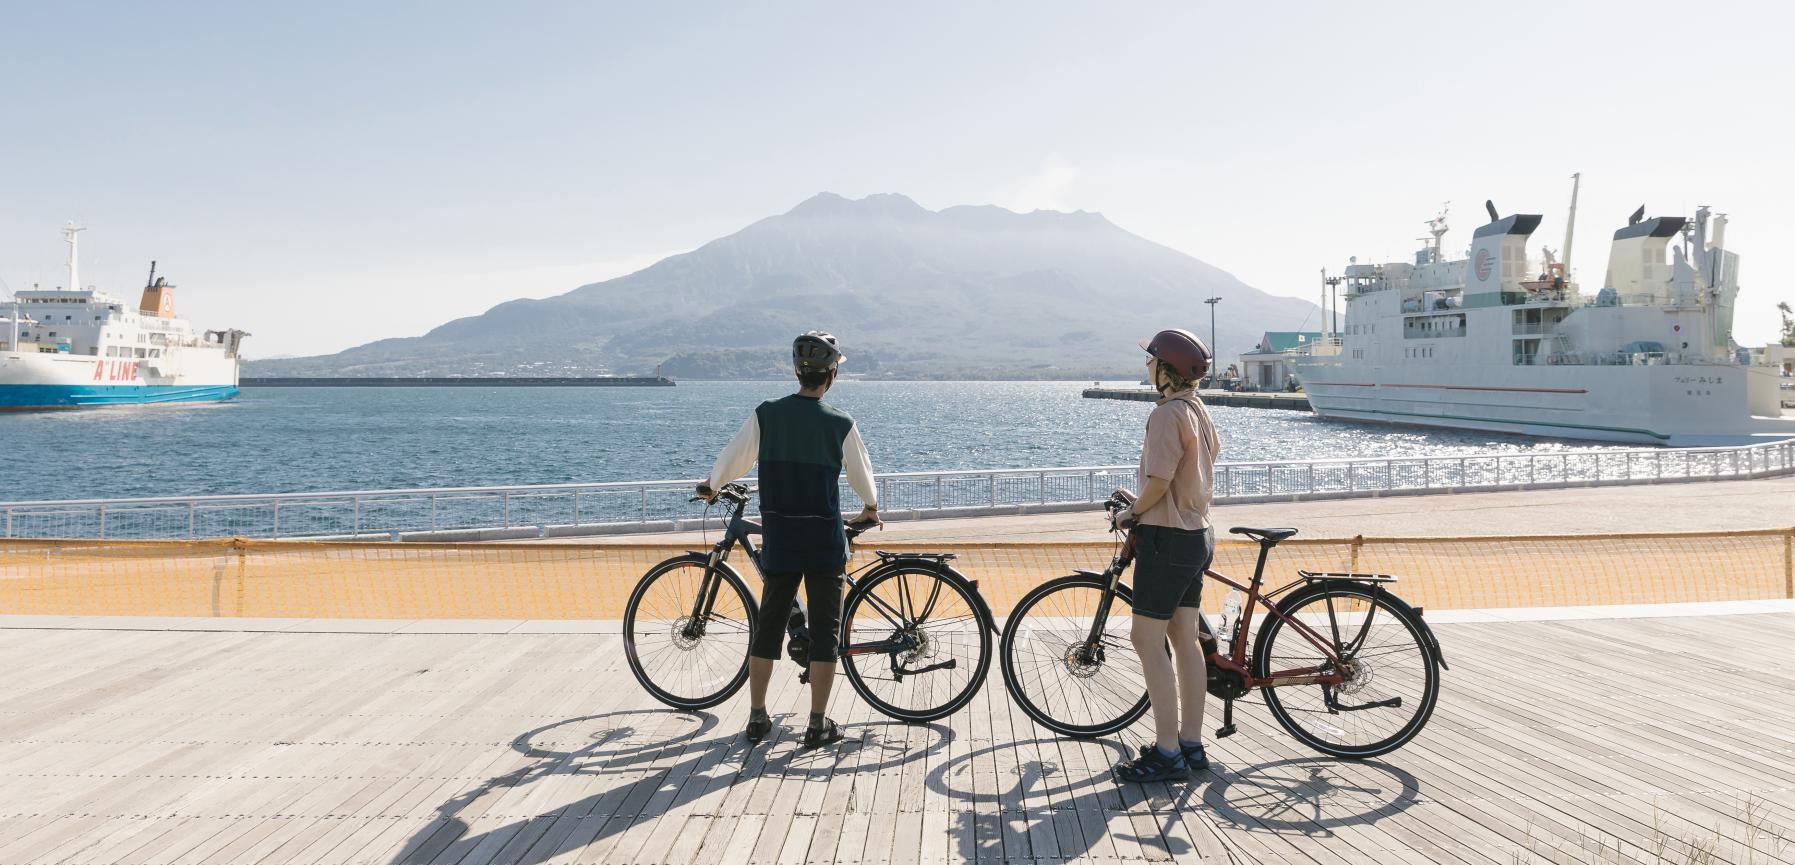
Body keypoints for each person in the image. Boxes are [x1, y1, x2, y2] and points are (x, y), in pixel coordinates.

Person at [698, 331, 881, 747]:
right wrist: (870, 507)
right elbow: (861, 476)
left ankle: (758, 718)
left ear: (797, 372)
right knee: (824, 632)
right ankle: (817, 723)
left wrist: (711, 485)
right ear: (831, 375)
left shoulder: (767, 415)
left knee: (768, 627)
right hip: (823, 541)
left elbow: (733, 460)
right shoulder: (840, 423)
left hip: (780, 537)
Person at [1111, 328, 1221, 783]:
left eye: (1152, 361)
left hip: (1167, 537)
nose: (1147, 367)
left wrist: (1129, 514)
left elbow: (1157, 483)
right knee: (1185, 637)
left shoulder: (1167, 415)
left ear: (1167, 370)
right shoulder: (1199, 411)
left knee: (1145, 640)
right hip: (1198, 535)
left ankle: (1167, 751)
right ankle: (1191, 743)